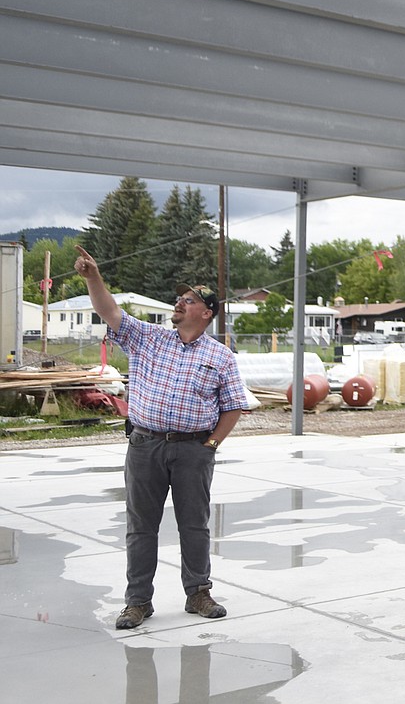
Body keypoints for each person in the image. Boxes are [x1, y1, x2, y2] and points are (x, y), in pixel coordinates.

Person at [73, 246, 247, 631]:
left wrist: (212, 445)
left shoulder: (220, 357)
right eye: (179, 299)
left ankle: (198, 593)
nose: (179, 303)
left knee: (195, 525)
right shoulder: (149, 338)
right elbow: (109, 311)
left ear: (206, 312)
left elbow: (234, 405)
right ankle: (138, 602)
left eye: (188, 300)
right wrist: (92, 277)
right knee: (141, 526)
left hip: (193, 450)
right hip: (145, 446)